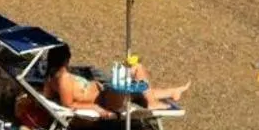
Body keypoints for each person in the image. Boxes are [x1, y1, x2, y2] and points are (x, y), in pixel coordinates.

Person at [44, 44, 190, 114]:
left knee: (137, 92)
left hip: (105, 93)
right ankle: (151, 103)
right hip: (107, 101)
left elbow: (47, 96)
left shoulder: (52, 76)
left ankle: (172, 92)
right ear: (66, 59)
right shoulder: (63, 78)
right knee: (137, 68)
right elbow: (68, 104)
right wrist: (94, 107)